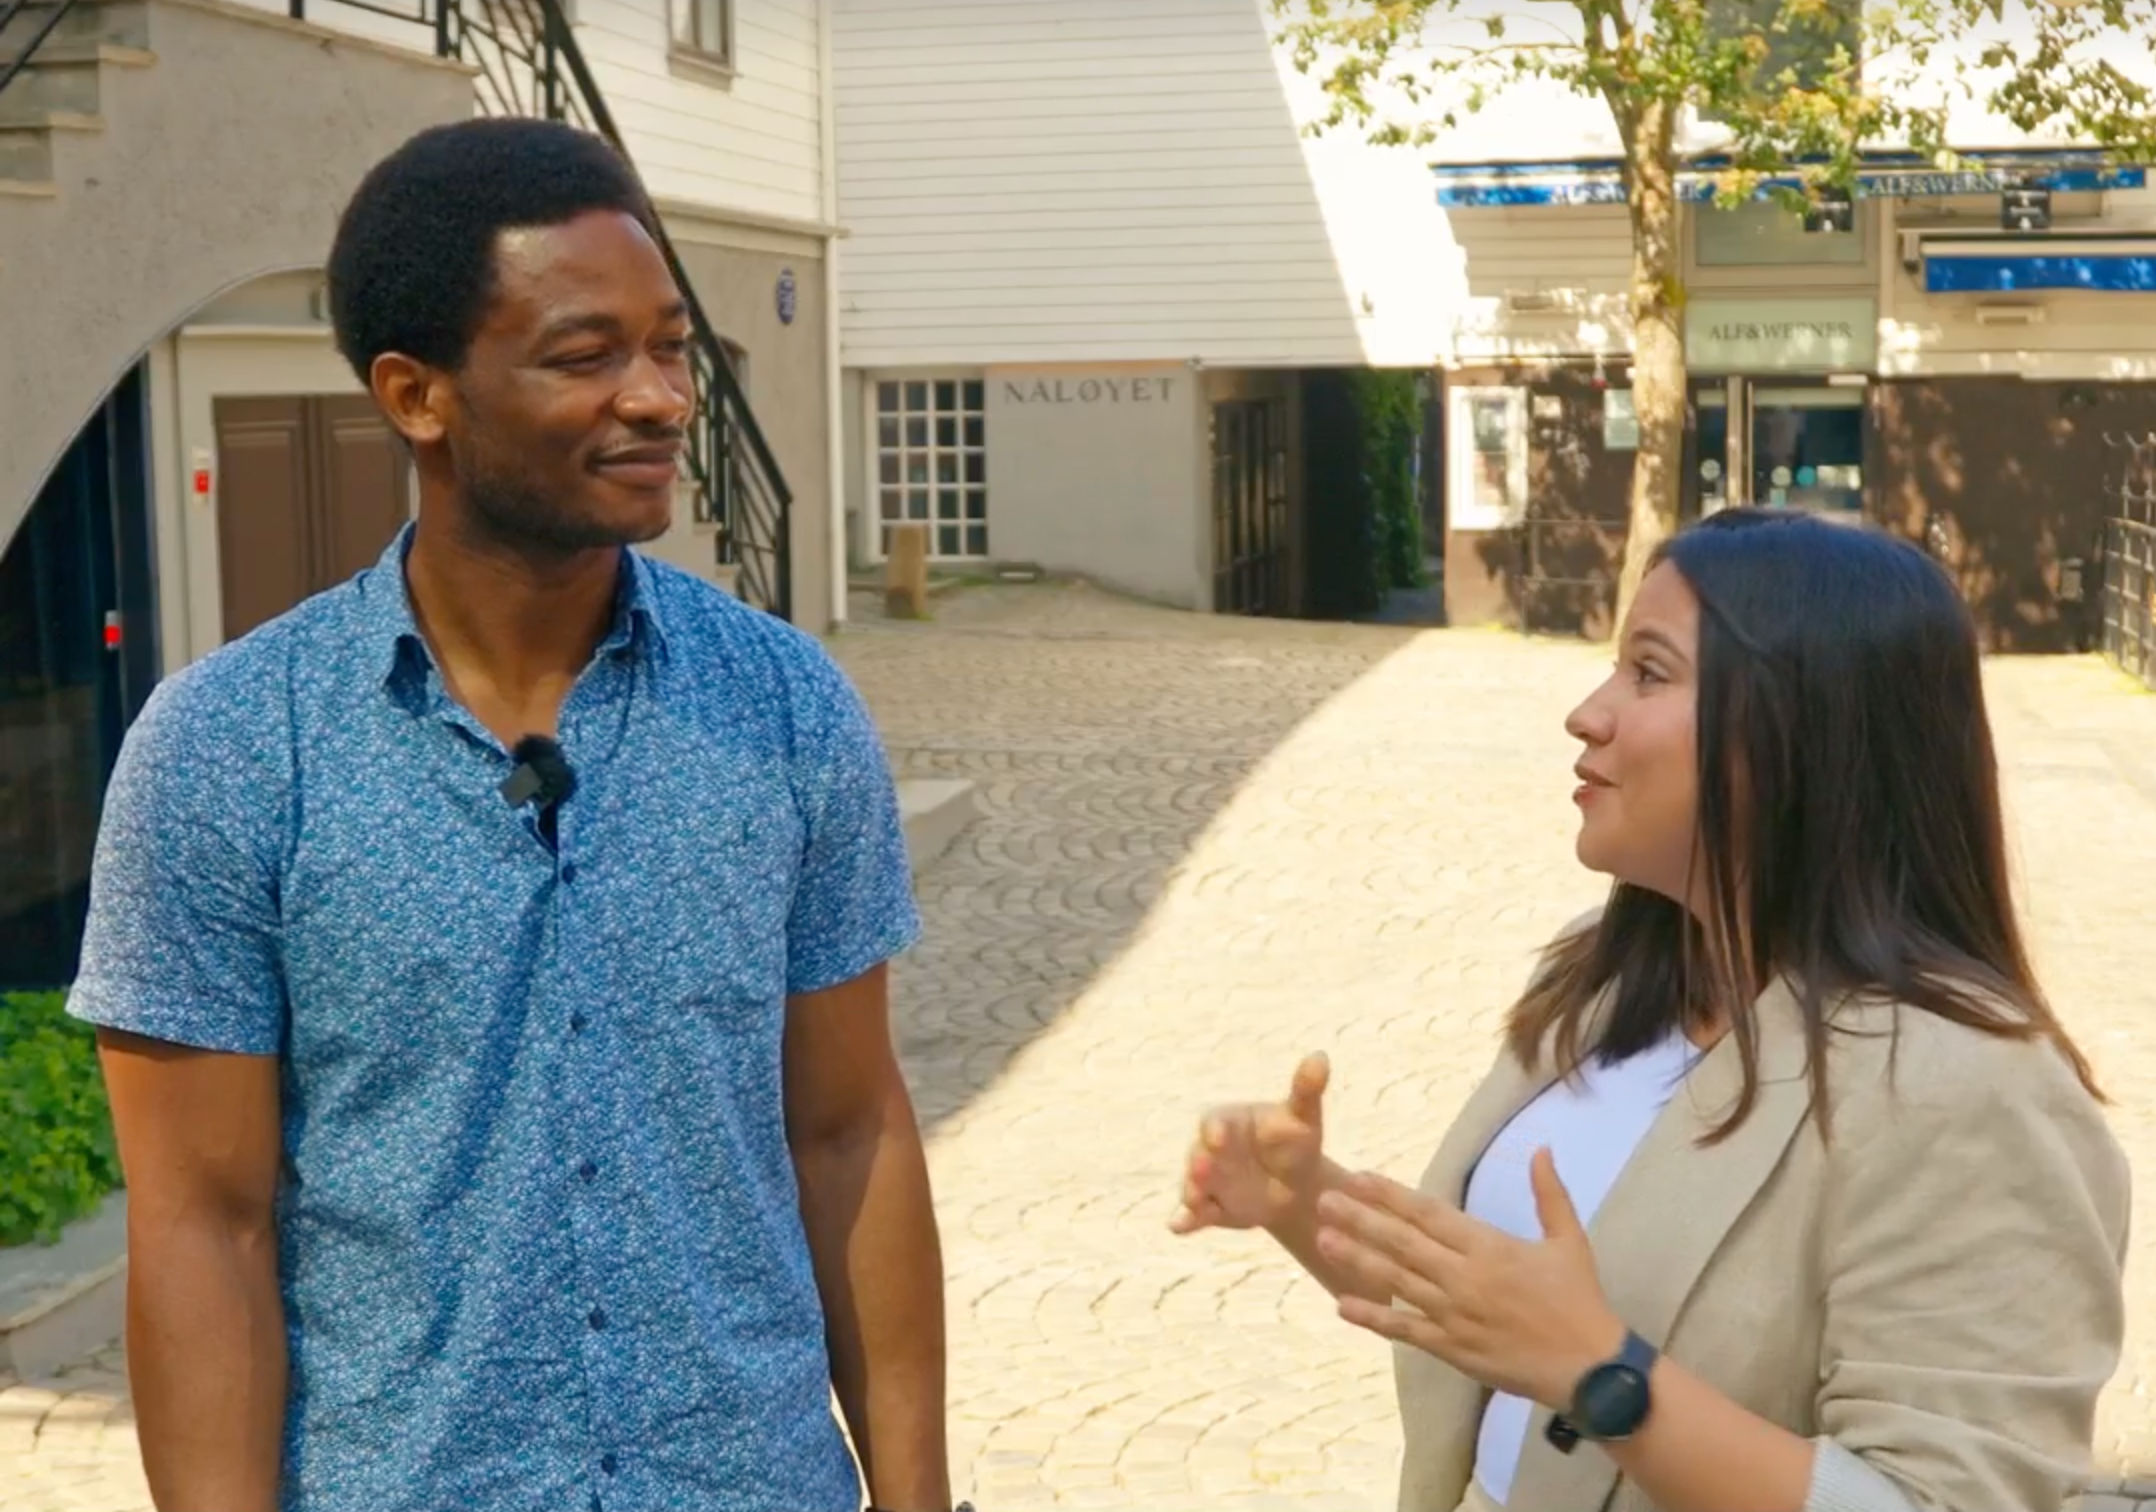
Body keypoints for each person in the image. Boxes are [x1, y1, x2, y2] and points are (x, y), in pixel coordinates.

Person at [70, 117, 957, 1512]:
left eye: (670, 345)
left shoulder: (787, 710)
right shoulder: (228, 752)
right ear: (417, 395)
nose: (659, 396)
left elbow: (849, 1135)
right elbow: (204, 1229)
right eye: (585, 355)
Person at [1172, 508, 2131, 1512]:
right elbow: (1494, 1318)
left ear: (1797, 731)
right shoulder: (1611, 979)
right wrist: (1304, 1201)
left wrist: (1602, 1376)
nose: (1586, 714)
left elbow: (1943, 1497)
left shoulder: (1968, 1088)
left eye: (1648, 673)